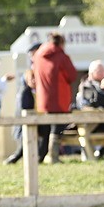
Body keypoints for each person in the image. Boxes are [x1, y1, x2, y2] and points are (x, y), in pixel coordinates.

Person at [33, 32, 77, 163]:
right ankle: (53, 156)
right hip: (59, 98)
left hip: (42, 99)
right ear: (61, 43)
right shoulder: (61, 56)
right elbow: (72, 76)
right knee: (57, 128)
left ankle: (40, 157)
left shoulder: (38, 55)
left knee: (45, 129)